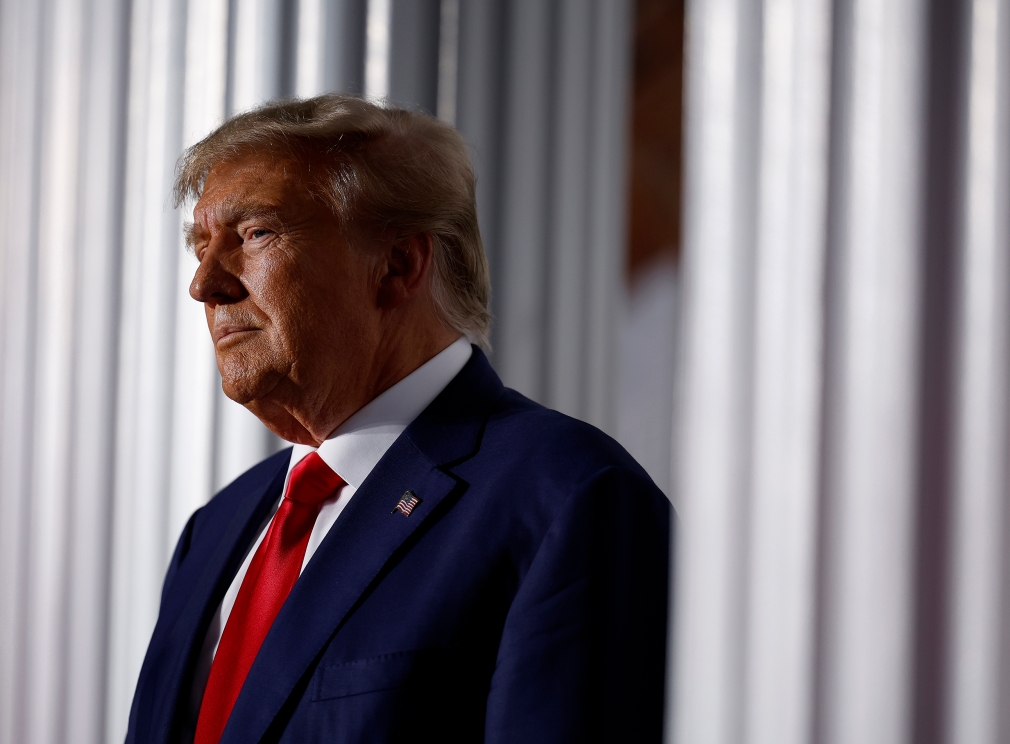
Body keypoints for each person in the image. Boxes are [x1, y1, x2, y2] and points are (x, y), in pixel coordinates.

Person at [126, 95, 670, 744]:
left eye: (255, 233)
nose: (206, 283)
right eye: (201, 246)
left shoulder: (571, 498)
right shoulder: (215, 530)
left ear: (398, 264)